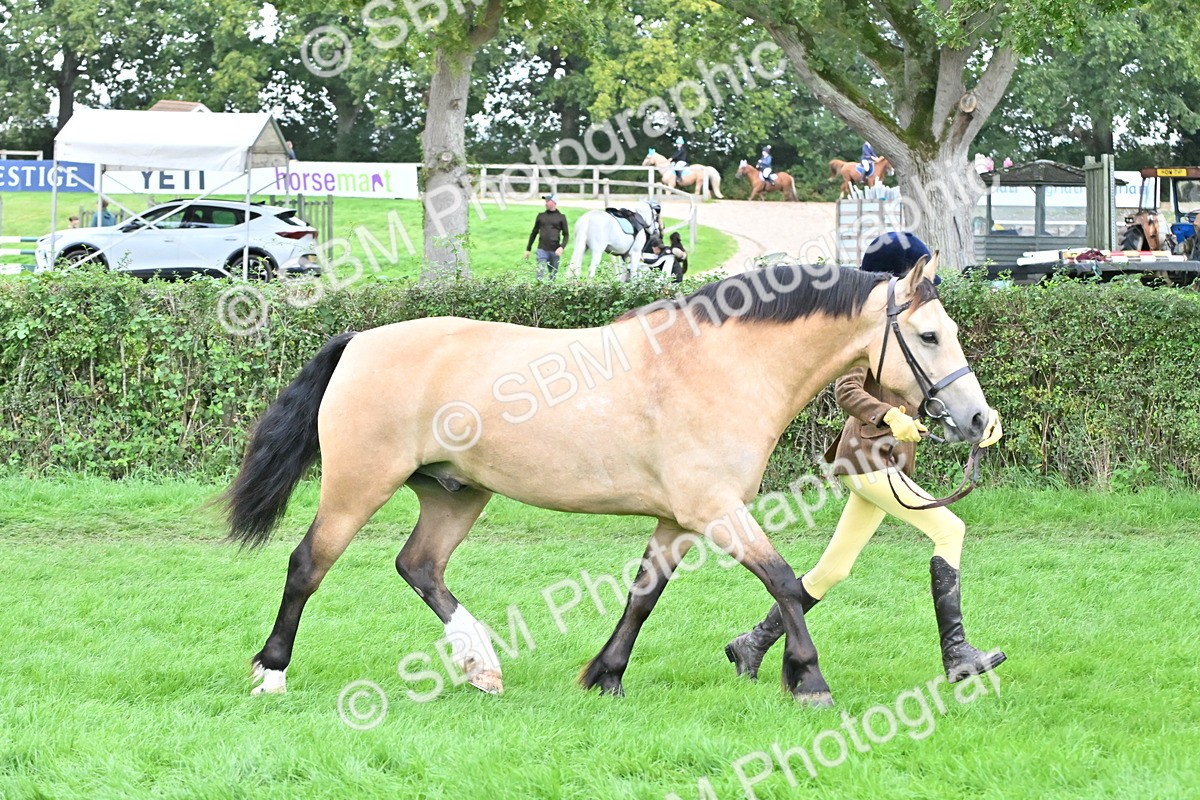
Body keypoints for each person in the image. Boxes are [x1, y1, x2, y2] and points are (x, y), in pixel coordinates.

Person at [724, 231, 1007, 686]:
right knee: (950, 528)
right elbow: (846, 389)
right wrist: (891, 415)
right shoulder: (869, 330)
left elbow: (938, 387)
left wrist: (982, 415)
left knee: (832, 570)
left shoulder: (909, 326)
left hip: (882, 465)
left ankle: (752, 642)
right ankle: (956, 653)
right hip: (868, 460)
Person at [524, 194, 569, 281]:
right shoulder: (541, 216)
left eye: (548, 201)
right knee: (540, 272)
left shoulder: (561, 217)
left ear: (554, 202)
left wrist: (562, 247)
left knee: (552, 276)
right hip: (542, 250)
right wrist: (528, 249)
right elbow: (534, 233)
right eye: (546, 201)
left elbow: (566, 235)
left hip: (555, 251)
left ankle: (550, 293)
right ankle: (538, 291)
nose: (546, 203)